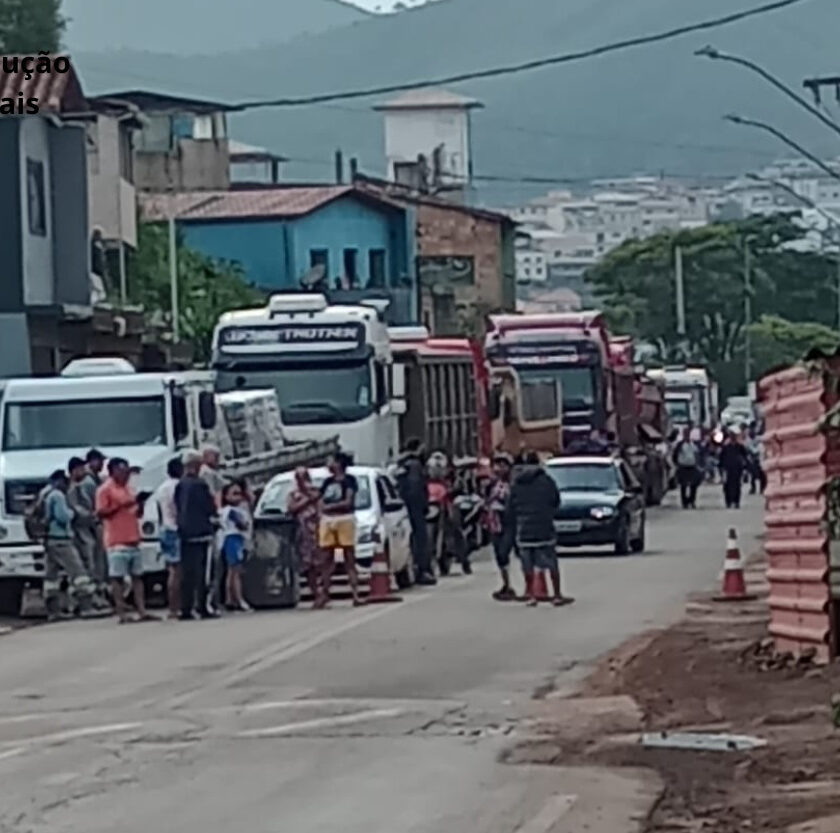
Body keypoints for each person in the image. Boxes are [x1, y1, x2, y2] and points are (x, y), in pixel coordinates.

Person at [96, 457, 158, 624]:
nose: (125, 474)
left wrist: (141, 504)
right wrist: (122, 505)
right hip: (116, 540)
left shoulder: (129, 488)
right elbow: (101, 513)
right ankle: (122, 613)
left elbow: (136, 513)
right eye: (121, 471)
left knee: (138, 577)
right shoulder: (105, 490)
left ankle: (142, 611)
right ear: (113, 471)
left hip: (133, 537)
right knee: (117, 579)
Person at [507, 451, 572, 607]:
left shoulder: (516, 483)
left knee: (527, 564)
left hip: (524, 530)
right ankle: (556, 595)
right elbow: (555, 500)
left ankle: (532, 595)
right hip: (544, 527)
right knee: (551, 562)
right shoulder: (547, 481)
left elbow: (510, 508)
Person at [41, 470, 98, 622]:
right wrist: (72, 513)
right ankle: (86, 607)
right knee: (78, 573)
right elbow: (63, 516)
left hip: (49, 540)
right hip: (61, 539)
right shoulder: (58, 496)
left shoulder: (45, 494)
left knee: (51, 577)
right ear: (60, 481)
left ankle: (53, 611)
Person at [175, 450, 219, 620]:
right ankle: (203, 606)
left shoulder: (180, 484)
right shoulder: (200, 484)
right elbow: (209, 507)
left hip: (185, 533)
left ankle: (185, 607)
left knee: (187, 572)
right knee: (203, 572)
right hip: (201, 532)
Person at [67, 456, 110, 612]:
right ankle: (85, 602)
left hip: (88, 529)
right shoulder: (72, 489)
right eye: (80, 469)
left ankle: (94, 598)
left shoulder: (80, 486)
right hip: (80, 532)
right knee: (86, 566)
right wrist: (91, 515)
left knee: (94, 563)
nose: (83, 471)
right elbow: (75, 510)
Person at [319, 452, 362, 606]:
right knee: (325, 559)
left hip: (344, 519)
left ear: (338, 464)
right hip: (328, 520)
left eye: (331, 461)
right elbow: (320, 500)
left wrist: (329, 507)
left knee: (349, 557)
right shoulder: (327, 482)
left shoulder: (350, 481)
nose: (328, 464)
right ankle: (324, 594)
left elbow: (348, 502)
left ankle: (355, 594)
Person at [288, 467, 331, 609]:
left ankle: (325, 591)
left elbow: (322, 510)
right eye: (298, 477)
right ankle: (316, 594)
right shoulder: (293, 494)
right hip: (303, 533)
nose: (301, 480)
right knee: (308, 566)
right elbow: (291, 509)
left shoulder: (316, 492)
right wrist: (306, 500)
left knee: (325, 563)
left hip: (318, 531)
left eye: (303, 476)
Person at [395, 438, 436, 586]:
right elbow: (416, 488)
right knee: (420, 540)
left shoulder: (400, 465)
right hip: (414, 507)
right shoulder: (415, 465)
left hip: (402, 508)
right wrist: (422, 506)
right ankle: (422, 571)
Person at [152, 456, 184, 619]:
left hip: (165, 528)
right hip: (176, 529)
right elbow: (181, 509)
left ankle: (173, 607)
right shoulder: (179, 486)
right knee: (178, 571)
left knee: (171, 569)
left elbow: (158, 510)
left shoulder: (161, 488)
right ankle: (176, 606)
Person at [485, 452, 516, 601]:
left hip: (509, 521)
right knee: (499, 555)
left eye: (503, 465)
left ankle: (530, 584)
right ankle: (506, 584)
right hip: (494, 522)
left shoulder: (514, 483)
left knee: (506, 551)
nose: (499, 468)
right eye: (497, 465)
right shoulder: (491, 484)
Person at [218, 482, 252, 612]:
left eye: (240, 493)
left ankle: (230, 599)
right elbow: (242, 525)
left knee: (232, 572)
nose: (239, 497)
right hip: (233, 539)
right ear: (226, 496)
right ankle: (238, 599)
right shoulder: (231, 512)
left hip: (234, 539)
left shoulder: (234, 510)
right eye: (234, 494)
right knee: (235, 571)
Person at [719, 431, 749, 509]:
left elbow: (745, 457)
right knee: (727, 486)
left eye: (734, 436)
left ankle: (736, 501)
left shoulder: (740, 447)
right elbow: (721, 458)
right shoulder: (726, 447)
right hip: (728, 469)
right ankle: (728, 501)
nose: (733, 438)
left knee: (737, 486)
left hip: (737, 469)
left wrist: (745, 468)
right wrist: (721, 469)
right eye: (732, 436)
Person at [672, 427, 701, 509]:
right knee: (683, 486)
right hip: (683, 466)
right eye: (685, 433)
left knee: (693, 486)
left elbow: (697, 454)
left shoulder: (693, 444)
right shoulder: (680, 445)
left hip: (692, 466)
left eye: (688, 433)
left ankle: (692, 501)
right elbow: (675, 455)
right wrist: (677, 464)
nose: (687, 435)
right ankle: (684, 502)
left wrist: (698, 464)